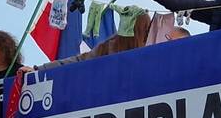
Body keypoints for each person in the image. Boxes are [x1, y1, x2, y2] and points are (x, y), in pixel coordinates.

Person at [19, 13, 152, 73]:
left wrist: (39, 69)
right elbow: (78, 61)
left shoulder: (153, 52)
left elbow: (76, 61)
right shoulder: (109, 47)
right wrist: (38, 70)